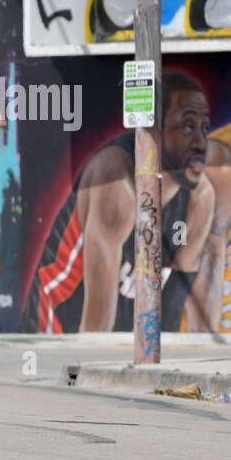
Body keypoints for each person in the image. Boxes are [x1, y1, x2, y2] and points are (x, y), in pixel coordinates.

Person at [25, 72, 215, 333]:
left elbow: (174, 306)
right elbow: (95, 328)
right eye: (187, 126)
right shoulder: (116, 184)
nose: (200, 142)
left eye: (204, 127)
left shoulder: (200, 197)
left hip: (121, 330)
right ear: (155, 131)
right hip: (56, 317)